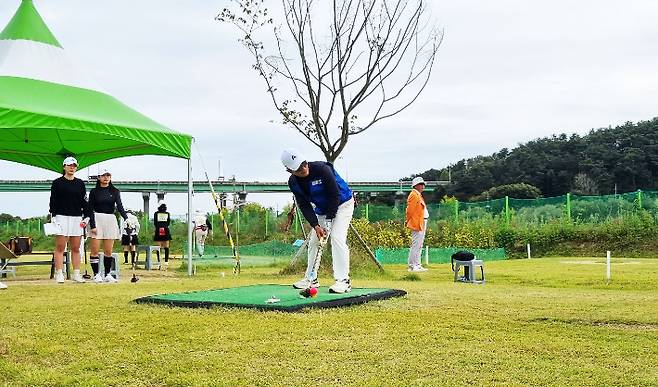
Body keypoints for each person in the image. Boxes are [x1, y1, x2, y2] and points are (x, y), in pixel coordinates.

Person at [281, 149, 354, 294]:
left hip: (342, 204)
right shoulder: (293, 183)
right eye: (298, 168)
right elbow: (304, 205)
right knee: (314, 241)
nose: (303, 168)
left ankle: (343, 281)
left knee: (337, 237)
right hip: (321, 209)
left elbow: (335, 195)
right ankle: (311, 278)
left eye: (304, 164)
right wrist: (315, 225)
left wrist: (328, 222)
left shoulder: (322, 169)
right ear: (289, 170)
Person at [49, 156, 94, 283]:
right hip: (61, 217)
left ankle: (76, 274)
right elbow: (53, 201)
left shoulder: (80, 183)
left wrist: (87, 217)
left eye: (74, 166)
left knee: (75, 247)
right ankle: (59, 273)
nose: (72, 168)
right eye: (69, 165)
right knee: (60, 247)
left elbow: (84, 202)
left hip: (76, 218)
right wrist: (53, 216)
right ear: (64, 167)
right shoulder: (57, 182)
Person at [88, 168, 128, 283]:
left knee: (108, 251)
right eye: (103, 175)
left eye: (108, 175)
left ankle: (107, 274)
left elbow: (119, 206)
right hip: (97, 218)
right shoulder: (94, 192)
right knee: (95, 250)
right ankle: (96, 274)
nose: (106, 178)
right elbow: (90, 209)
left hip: (110, 219)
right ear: (99, 177)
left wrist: (126, 218)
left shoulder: (115, 191)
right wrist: (93, 225)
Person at [405, 176, 429, 272]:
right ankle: (413, 265)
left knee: (419, 244)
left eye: (423, 184)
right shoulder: (413, 195)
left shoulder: (417, 195)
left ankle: (417, 264)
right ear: (416, 185)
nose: (423, 186)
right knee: (416, 244)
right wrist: (408, 221)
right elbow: (409, 210)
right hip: (417, 222)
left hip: (421, 221)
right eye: (421, 184)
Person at [153, 200, 171, 269]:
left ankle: (158, 262)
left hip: (158, 230)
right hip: (166, 230)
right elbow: (168, 223)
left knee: (158, 247)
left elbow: (155, 222)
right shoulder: (167, 213)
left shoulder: (156, 214)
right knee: (166, 246)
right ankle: (166, 261)